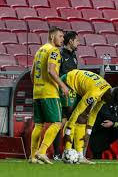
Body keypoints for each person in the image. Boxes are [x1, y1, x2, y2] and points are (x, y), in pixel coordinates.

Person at [61, 69, 118, 163]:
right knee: (71, 112)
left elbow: (93, 113)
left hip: (81, 87)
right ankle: (67, 152)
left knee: (83, 118)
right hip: (69, 81)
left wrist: (88, 133)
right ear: (111, 96)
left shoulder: (107, 92)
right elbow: (77, 111)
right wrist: (68, 131)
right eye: (111, 101)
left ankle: (80, 155)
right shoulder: (95, 93)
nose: (109, 103)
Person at [30, 26, 69, 164]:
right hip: (49, 93)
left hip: (37, 92)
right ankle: (42, 152)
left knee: (39, 124)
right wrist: (63, 86)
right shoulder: (53, 51)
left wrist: (37, 86)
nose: (62, 39)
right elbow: (51, 71)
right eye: (60, 36)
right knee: (57, 123)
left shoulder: (40, 50)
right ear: (53, 37)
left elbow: (32, 73)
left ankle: (33, 156)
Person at [53, 31, 80, 161]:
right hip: (63, 92)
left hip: (72, 92)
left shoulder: (74, 56)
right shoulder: (60, 55)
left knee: (64, 122)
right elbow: (55, 73)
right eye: (77, 41)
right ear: (70, 41)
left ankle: (62, 153)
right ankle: (63, 152)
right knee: (70, 120)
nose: (78, 43)